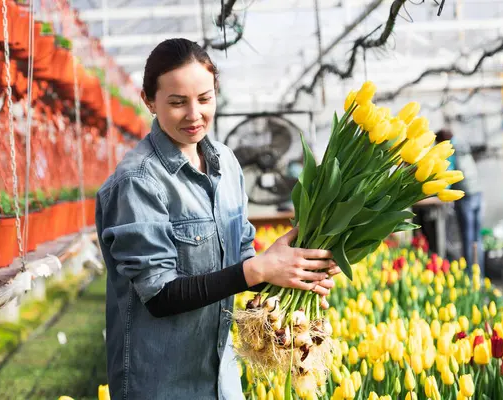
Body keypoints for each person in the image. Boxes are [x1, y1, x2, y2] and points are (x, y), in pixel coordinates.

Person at [95, 38, 340, 400]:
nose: (194, 114)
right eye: (177, 102)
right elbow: (160, 295)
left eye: (205, 99)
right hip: (161, 384)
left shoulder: (226, 163)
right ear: (149, 100)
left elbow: (237, 265)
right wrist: (257, 270)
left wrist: (292, 267)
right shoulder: (138, 181)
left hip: (221, 378)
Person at [435, 128, 484, 277]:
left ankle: (470, 276)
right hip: (477, 192)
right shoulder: (462, 145)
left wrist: (439, 190)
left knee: (467, 237)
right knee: (477, 238)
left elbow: (449, 174)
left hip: (465, 196)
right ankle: (479, 275)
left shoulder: (450, 149)